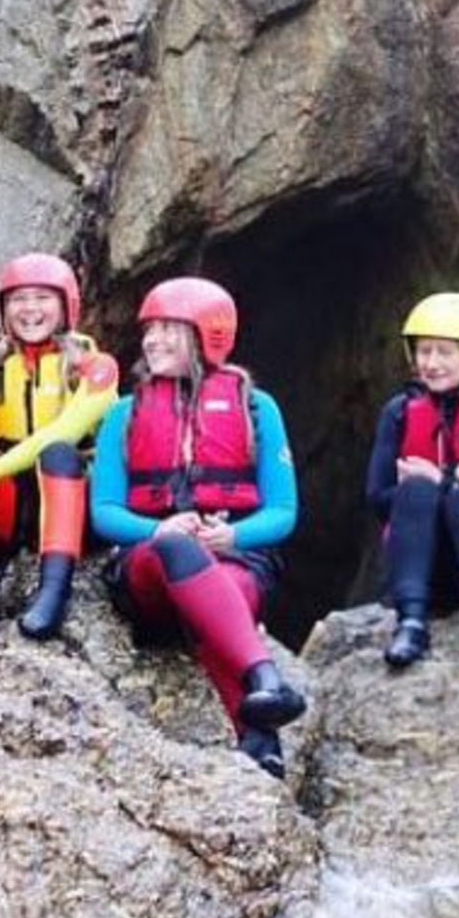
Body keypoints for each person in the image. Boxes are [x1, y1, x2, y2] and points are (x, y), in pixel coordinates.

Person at [90, 277, 305, 778]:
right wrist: (158, 528)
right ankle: (263, 676)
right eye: (151, 330)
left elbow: (283, 512)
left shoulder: (257, 408)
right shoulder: (125, 412)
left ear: (208, 336)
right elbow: (103, 512)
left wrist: (232, 537)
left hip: (233, 557)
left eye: (170, 330)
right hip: (149, 568)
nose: (153, 341)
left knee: (223, 587)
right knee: (179, 552)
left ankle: (260, 742)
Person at [0, 253, 119, 639]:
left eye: (41, 298)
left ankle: (53, 591)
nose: (29, 309)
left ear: (66, 304)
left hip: (74, 506)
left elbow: (65, 431)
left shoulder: (96, 364)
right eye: (18, 299)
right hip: (12, 511)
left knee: (59, 454)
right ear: (3, 310)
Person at [366, 292, 459, 675]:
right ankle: (411, 622)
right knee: (416, 488)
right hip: (422, 565)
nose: (431, 364)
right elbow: (377, 497)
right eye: (423, 351)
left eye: (444, 353)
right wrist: (436, 484)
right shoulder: (400, 411)